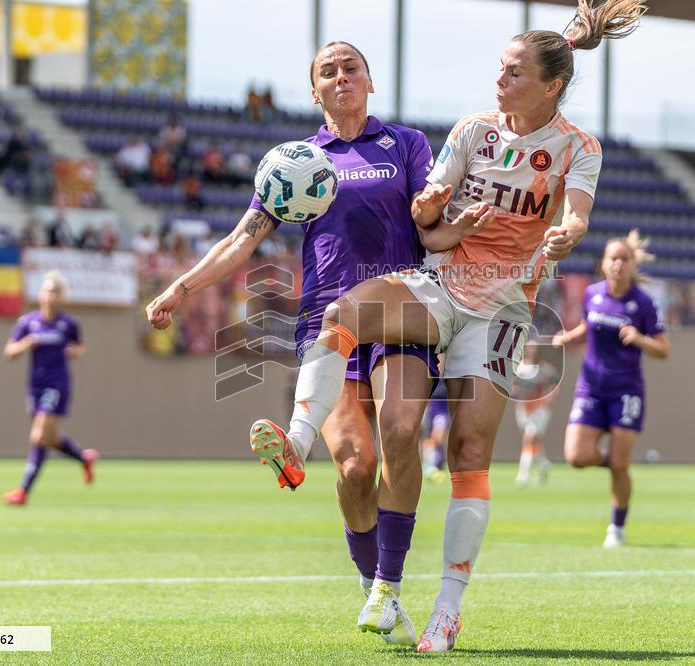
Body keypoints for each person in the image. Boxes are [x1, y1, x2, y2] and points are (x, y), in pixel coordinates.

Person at [244, 1, 647, 652]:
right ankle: (294, 443)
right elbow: (427, 220)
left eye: (513, 72)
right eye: (499, 67)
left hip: (504, 310)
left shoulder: (577, 148)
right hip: (442, 285)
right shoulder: (472, 131)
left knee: (467, 453)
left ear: (550, 86)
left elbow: (574, 217)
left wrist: (566, 236)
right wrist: (432, 207)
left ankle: (447, 610)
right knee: (343, 313)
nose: (499, 80)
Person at [146, 41, 444, 646]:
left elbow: (429, 222)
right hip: (328, 326)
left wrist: (447, 215)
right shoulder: (295, 160)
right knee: (356, 467)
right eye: (328, 71)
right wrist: (180, 286)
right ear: (314, 91)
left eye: (351, 67)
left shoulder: (406, 145)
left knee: (403, 432)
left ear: (369, 79)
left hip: (401, 314)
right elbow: (242, 239)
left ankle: (389, 582)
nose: (341, 77)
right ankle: (375, 592)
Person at [552, 230, 669, 547]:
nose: (618, 264)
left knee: (620, 465)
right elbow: (590, 324)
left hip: (626, 390)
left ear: (632, 265)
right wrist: (570, 336)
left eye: (624, 259)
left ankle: (616, 528)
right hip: (591, 386)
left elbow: (663, 349)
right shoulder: (593, 294)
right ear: (603, 264)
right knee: (576, 456)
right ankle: (614, 459)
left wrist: (640, 339)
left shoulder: (643, 304)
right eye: (612, 259)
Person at [1, 271, 97, 505]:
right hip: (35, 385)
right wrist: (25, 344)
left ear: (62, 296)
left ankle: (23, 491)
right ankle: (83, 458)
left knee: (38, 435)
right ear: (41, 294)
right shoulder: (28, 322)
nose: (50, 295)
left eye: (55, 291)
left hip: (58, 384)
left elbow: (80, 346)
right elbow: (9, 352)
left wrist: (75, 352)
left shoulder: (69, 324)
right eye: (47, 290)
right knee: (51, 438)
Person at [511, 341, 560, 486]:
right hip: (523, 407)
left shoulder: (546, 369)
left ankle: (523, 475)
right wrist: (513, 390)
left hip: (540, 408)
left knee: (529, 438)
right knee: (532, 441)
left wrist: (549, 397)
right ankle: (544, 463)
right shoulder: (519, 368)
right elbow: (513, 385)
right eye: (530, 347)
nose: (533, 350)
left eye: (536, 348)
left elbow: (555, 385)